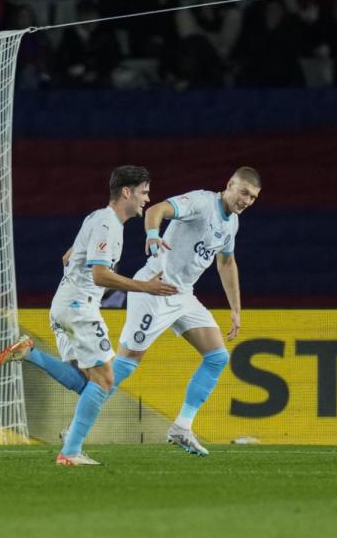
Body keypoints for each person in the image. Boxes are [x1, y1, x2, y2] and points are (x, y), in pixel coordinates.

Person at [0, 166, 176, 466]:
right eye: (143, 192)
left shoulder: (96, 217)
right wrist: (144, 287)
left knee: (87, 383)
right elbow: (101, 275)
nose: (147, 198)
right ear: (126, 192)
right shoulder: (107, 225)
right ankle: (70, 452)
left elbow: (68, 256)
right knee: (105, 380)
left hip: (65, 304)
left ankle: (30, 353)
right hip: (79, 307)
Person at [112, 167, 261, 457]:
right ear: (229, 184)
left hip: (182, 295)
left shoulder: (232, 224)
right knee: (125, 364)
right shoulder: (202, 202)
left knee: (217, 357)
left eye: (253, 197)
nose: (247, 200)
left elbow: (227, 263)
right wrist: (153, 235)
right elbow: (157, 209)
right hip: (154, 288)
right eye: (243, 192)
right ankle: (77, 421)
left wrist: (236, 310)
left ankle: (181, 427)